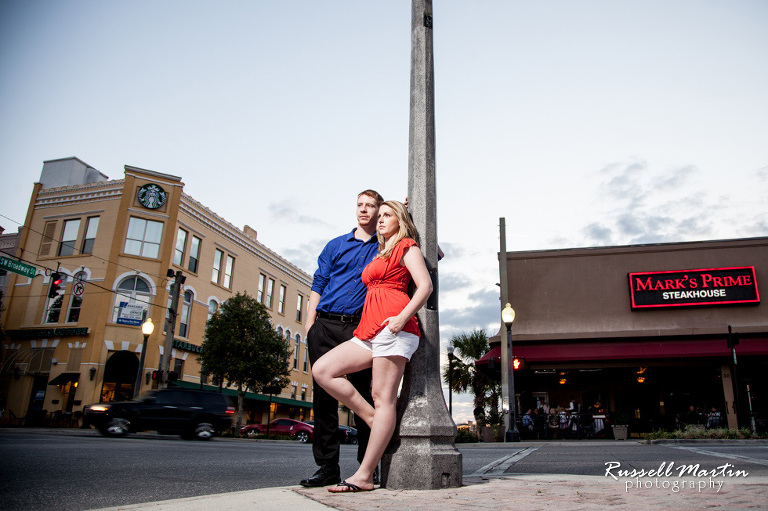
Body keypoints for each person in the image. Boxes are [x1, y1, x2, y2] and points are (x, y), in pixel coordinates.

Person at [312, 200, 433, 493]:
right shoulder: (379, 251)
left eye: (386, 215)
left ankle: (364, 475)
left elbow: (425, 285)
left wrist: (402, 318)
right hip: (368, 329)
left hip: (395, 328)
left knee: (383, 398)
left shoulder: (408, 247)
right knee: (323, 370)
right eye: (379, 215)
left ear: (400, 220)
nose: (379, 219)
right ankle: (369, 417)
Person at [300, 189, 384, 488]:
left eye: (370, 206)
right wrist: (310, 323)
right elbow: (319, 281)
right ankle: (327, 468)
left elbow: (429, 252)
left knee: (362, 395)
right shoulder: (336, 245)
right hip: (324, 324)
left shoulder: (385, 246)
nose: (364, 210)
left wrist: (409, 212)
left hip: (358, 329)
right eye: (360, 205)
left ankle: (366, 468)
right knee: (323, 399)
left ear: (379, 211)